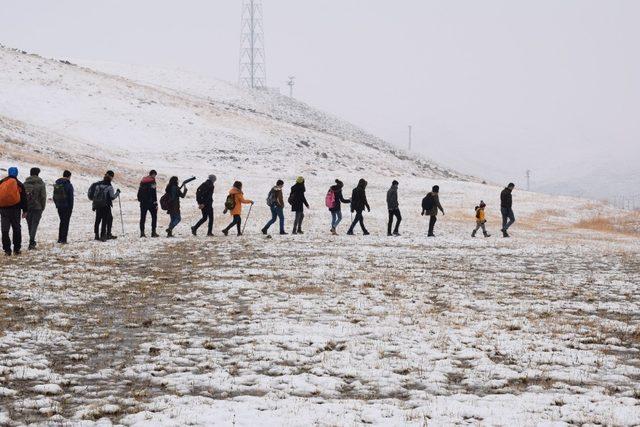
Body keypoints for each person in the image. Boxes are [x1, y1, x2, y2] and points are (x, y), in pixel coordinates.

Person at [0, 167, 27, 256]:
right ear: (16, 173)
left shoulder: (2, 182)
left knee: (5, 230)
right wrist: (25, 210)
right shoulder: (19, 184)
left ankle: (7, 250)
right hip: (15, 210)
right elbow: (23, 198)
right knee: (16, 229)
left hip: (4, 210)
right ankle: (17, 249)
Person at [90, 171, 120, 242]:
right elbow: (112, 197)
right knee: (105, 220)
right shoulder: (109, 186)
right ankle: (104, 235)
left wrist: (94, 205)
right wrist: (117, 193)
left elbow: (95, 196)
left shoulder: (98, 185)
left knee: (98, 220)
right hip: (105, 206)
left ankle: (96, 235)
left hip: (98, 205)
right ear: (111, 177)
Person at [23, 167, 47, 250]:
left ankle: (32, 241)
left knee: (30, 225)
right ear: (37, 174)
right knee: (34, 225)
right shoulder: (41, 183)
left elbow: (22, 197)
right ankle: (31, 242)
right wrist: (42, 207)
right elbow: (43, 197)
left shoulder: (25, 184)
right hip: (37, 207)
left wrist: (23, 208)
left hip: (27, 207)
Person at [53, 170, 74, 244]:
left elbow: (54, 196)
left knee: (62, 221)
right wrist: (71, 208)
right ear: (69, 176)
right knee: (66, 223)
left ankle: (60, 238)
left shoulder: (57, 184)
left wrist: (57, 205)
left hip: (59, 206)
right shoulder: (68, 185)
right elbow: (71, 198)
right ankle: (64, 239)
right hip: (67, 206)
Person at [137, 170, 159, 238]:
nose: (155, 176)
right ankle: (153, 232)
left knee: (143, 218)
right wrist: (155, 203)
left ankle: (142, 233)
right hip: (151, 203)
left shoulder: (143, 181)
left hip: (143, 202)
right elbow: (153, 193)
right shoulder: (152, 181)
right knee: (154, 217)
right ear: (153, 174)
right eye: (155, 175)